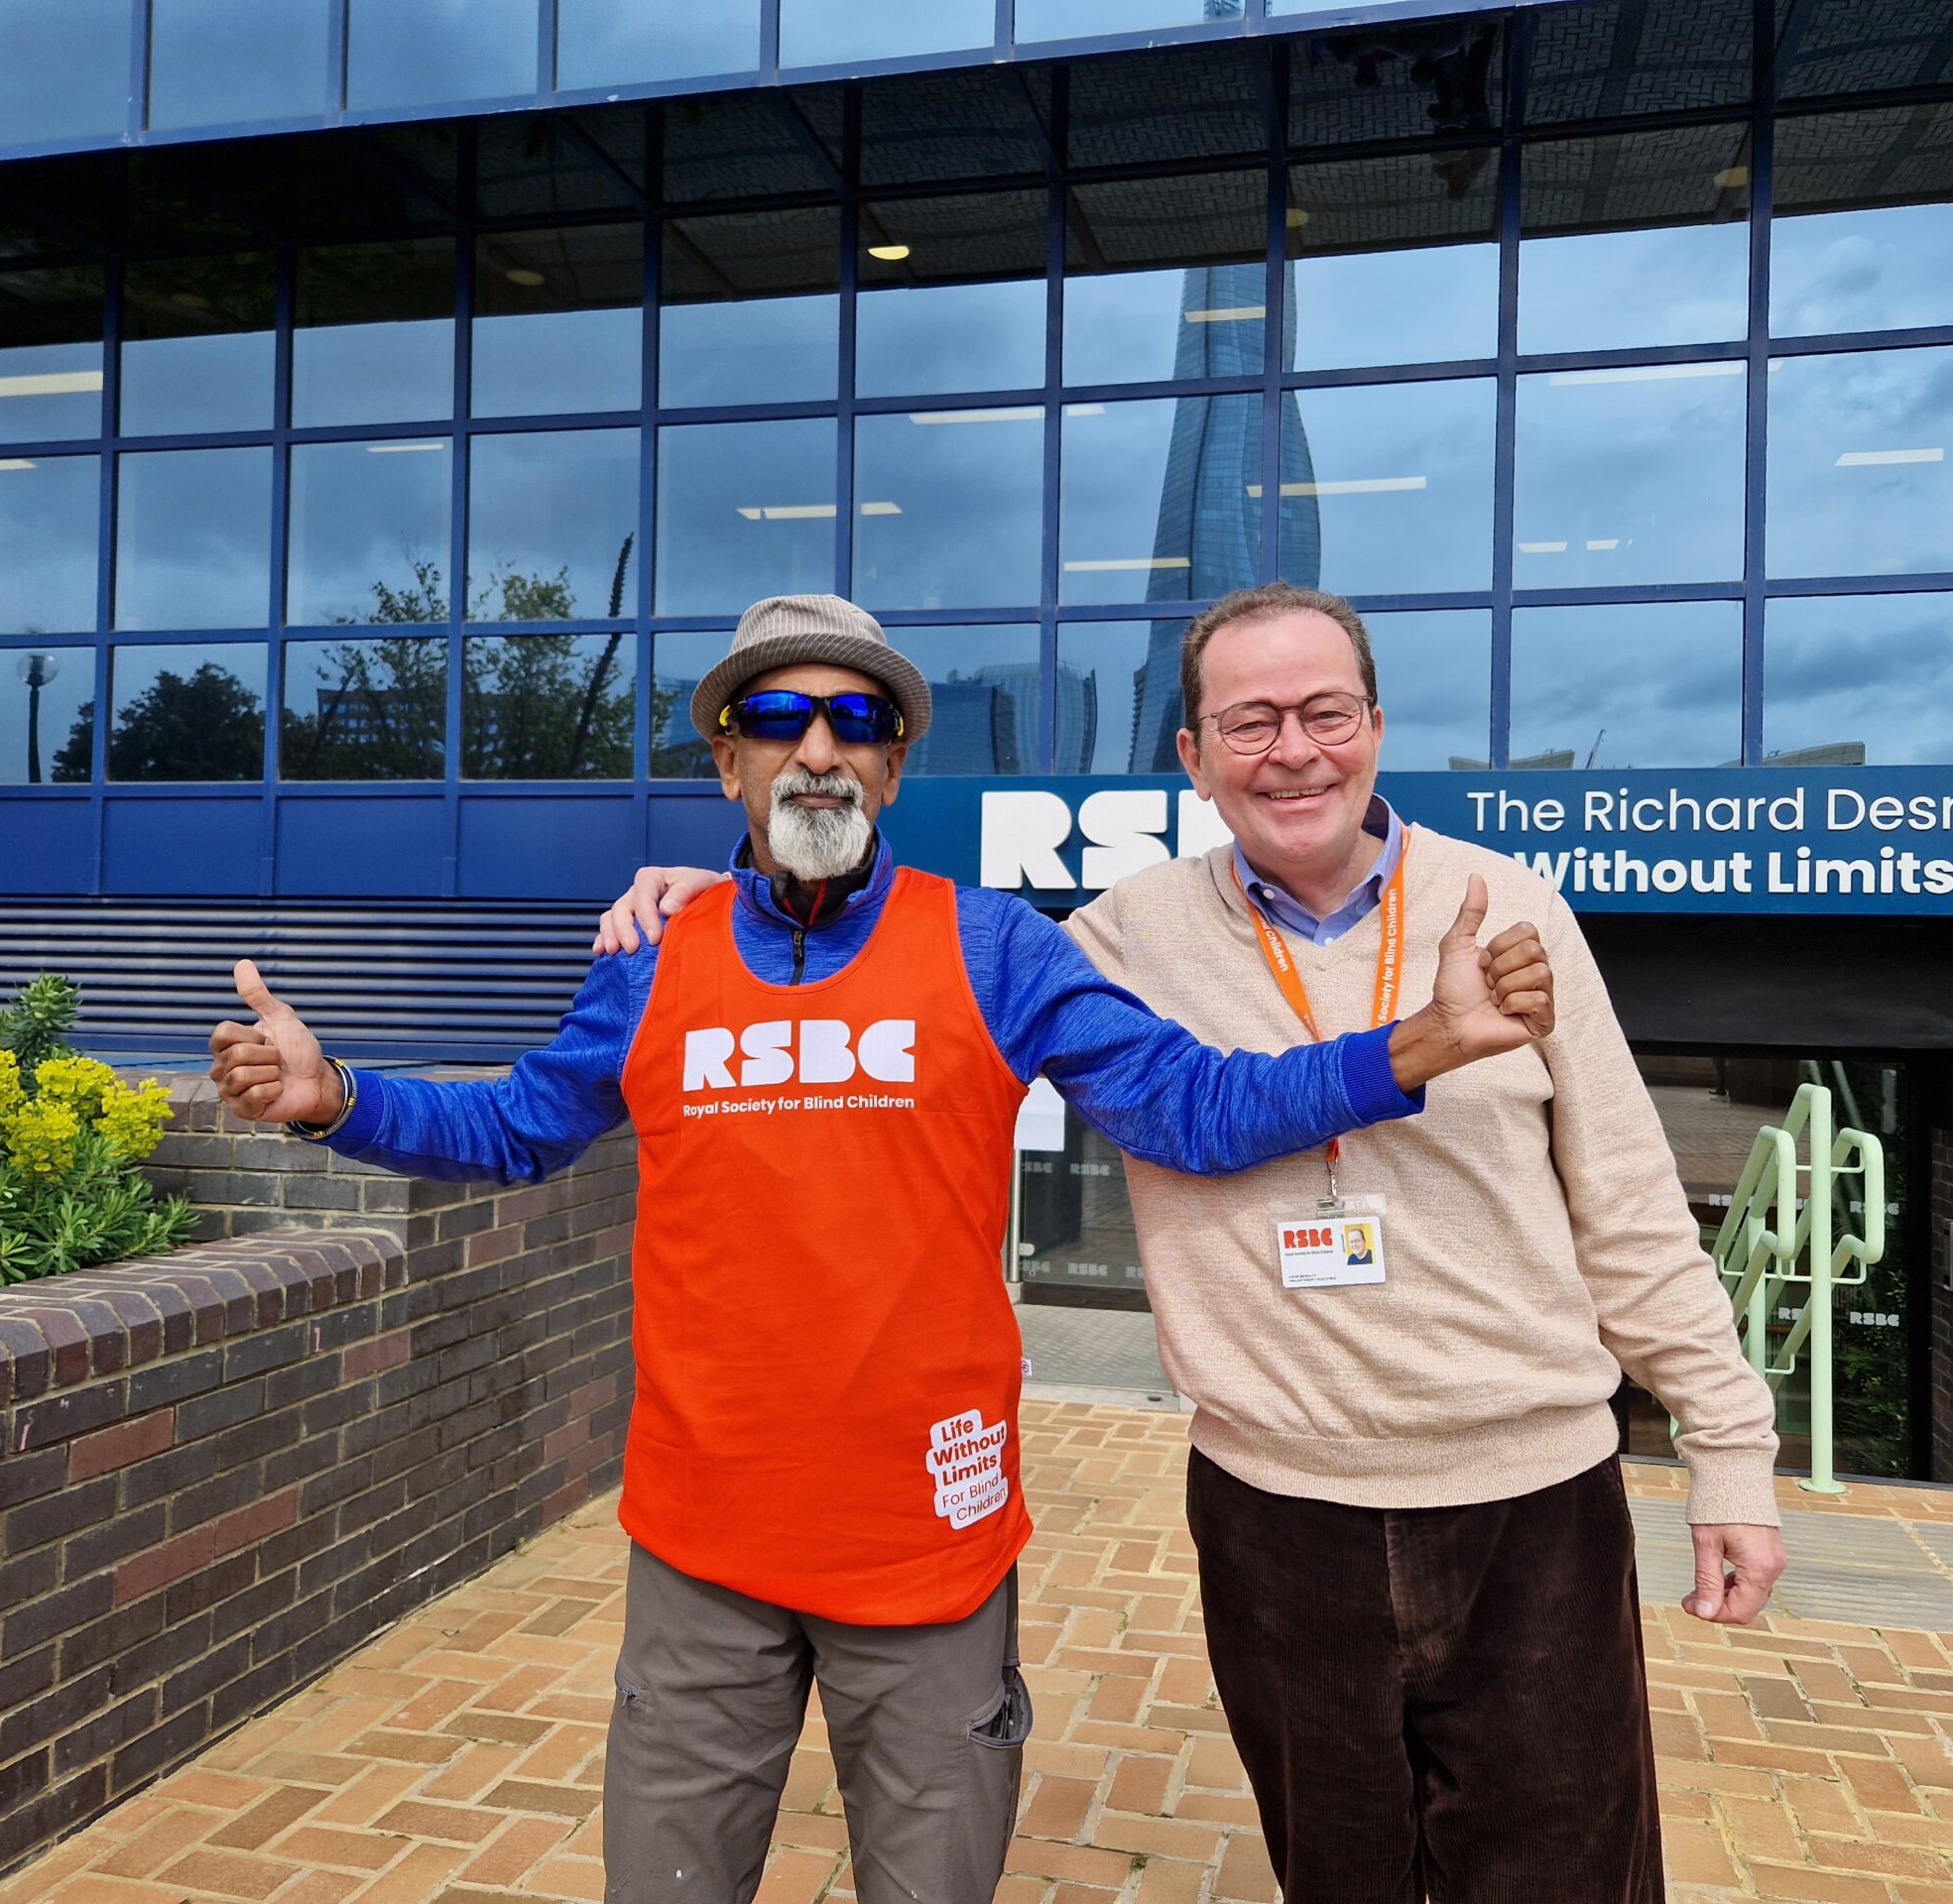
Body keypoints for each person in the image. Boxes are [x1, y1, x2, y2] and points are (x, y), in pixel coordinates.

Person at [207, 593, 1559, 1904]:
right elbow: (519, 1126)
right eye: (776, 716)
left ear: (896, 762)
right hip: (699, 1543)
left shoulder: (996, 947)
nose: (816, 747)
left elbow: (1197, 1107)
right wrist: (339, 1099)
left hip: (930, 1542)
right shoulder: (652, 961)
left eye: (853, 718)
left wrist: (1422, 1042)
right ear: (727, 758)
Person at [597, 581, 1786, 1904]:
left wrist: (1728, 1447)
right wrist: (735, 892)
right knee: (1339, 1878)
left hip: (1529, 1496)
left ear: (1377, 726)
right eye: (1251, 720)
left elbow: (1628, 1206)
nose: (1293, 749)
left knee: (1568, 1878)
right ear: (1196, 759)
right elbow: (887, 950)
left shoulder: (1505, 907)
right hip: (1280, 1507)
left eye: (1325, 712)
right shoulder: (1123, 933)